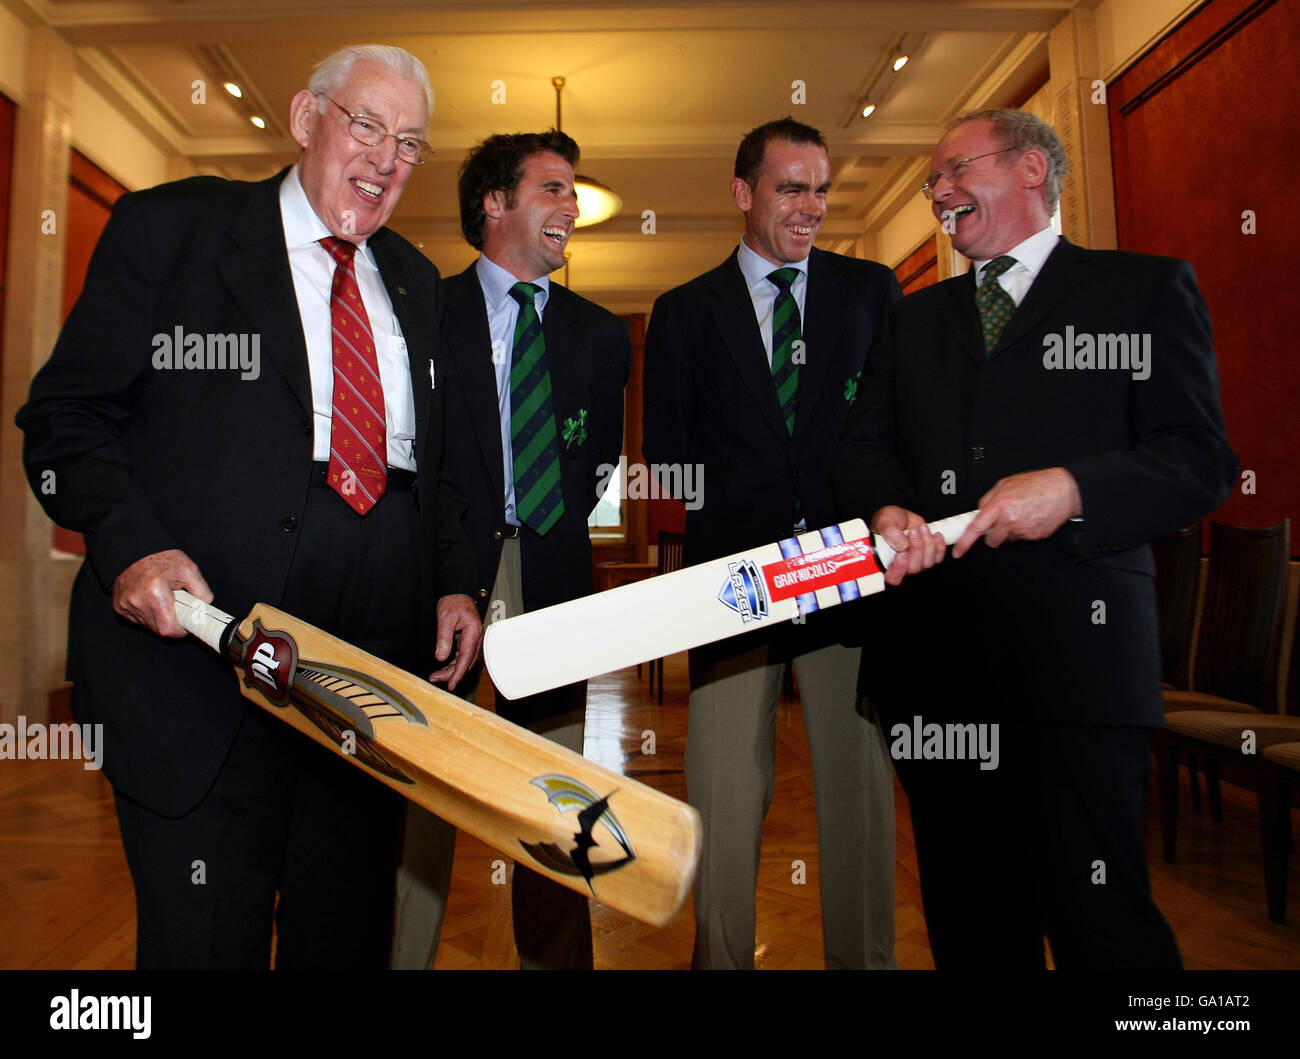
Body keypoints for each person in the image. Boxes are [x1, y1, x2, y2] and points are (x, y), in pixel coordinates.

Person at [16, 44, 481, 969]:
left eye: (412, 144)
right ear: (308, 121)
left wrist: (455, 583)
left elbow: (441, 467)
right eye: (368, 126)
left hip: (363, 689)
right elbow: (66, 418)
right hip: (201, 675)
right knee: (205, 940)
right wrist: (134, 546)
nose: (389, 160)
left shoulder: (419, 283)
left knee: (344, 940)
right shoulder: (171, 231)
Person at [832, 108, 1237, 969]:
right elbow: (865, 448)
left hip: (1078, 668)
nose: (939, 190)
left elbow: (1200, 460)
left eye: (954, 169)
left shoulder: (1145, 289)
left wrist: (1079, 488)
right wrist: (888, 510)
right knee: (973, 920)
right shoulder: (911, 319)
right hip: (935, 669)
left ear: (1031, 171)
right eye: (930, 180)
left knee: (1102, 918)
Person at [643, 117, 902, 969]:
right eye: (792, 187)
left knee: (859, 790)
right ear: (743, 192)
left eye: (822, 187)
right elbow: (672, 462)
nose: (812, 205)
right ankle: (720, 959)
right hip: (734, 586)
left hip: (850, 576)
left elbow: (895, 427)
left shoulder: (872, 293)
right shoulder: (682, 313)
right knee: (721, 784)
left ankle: (862, 961)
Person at [391, 131, 630, 970]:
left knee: (554, 792)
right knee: (421, 777)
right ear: (495, 203)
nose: (571, 207)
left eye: (573, 194)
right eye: (554, 189)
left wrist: (544, 517)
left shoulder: (602, 335)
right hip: (441, 574)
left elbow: (596, 458)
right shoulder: (424, 308)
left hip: (555, 576)